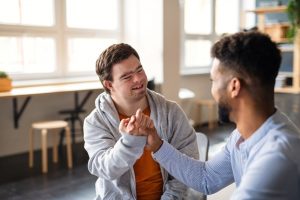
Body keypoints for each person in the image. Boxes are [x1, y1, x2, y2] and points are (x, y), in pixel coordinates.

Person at [131, 31, 300, 199]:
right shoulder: (241, 137)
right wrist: (158, 145)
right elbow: (206, 178)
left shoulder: (277, 157)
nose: (212, 90)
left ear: (234, 87)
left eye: (213, 81)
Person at [83, 43, 198, 200]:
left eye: (139, 70)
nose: (138, 79)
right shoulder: (95, 121)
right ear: (109, 85)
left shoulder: (171, 112)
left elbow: (187, 167)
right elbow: (104, 169)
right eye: (127, 77)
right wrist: (129, 142)